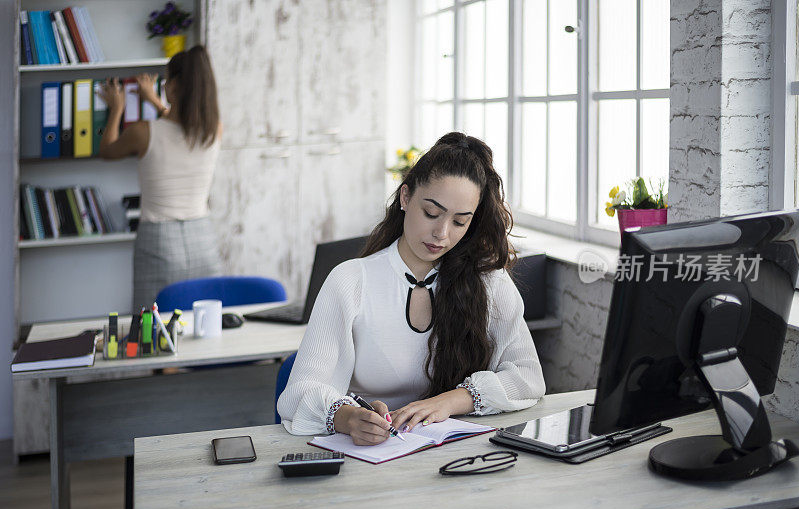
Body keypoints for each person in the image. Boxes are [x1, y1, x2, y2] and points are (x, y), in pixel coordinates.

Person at [277, 132, 546, 445]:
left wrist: (449, 401)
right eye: (431, 213)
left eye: (460, 222)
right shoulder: (349, 281)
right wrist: (349, 418)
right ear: (405, 197)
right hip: (373, 456)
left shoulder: (490, 282)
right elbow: (298, 394)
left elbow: (528, 377)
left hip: (458, 455)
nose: (441, 233)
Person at [97, 45, 223, 310]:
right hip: (204, 239)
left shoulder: (143, 132)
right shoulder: (214, 130)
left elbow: (107, 150)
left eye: (166, 81)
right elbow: (178, 127)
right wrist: (155, 100)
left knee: (152, 328)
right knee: (201, 324)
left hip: (159, 241)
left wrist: (117, 108)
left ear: (174, 87)